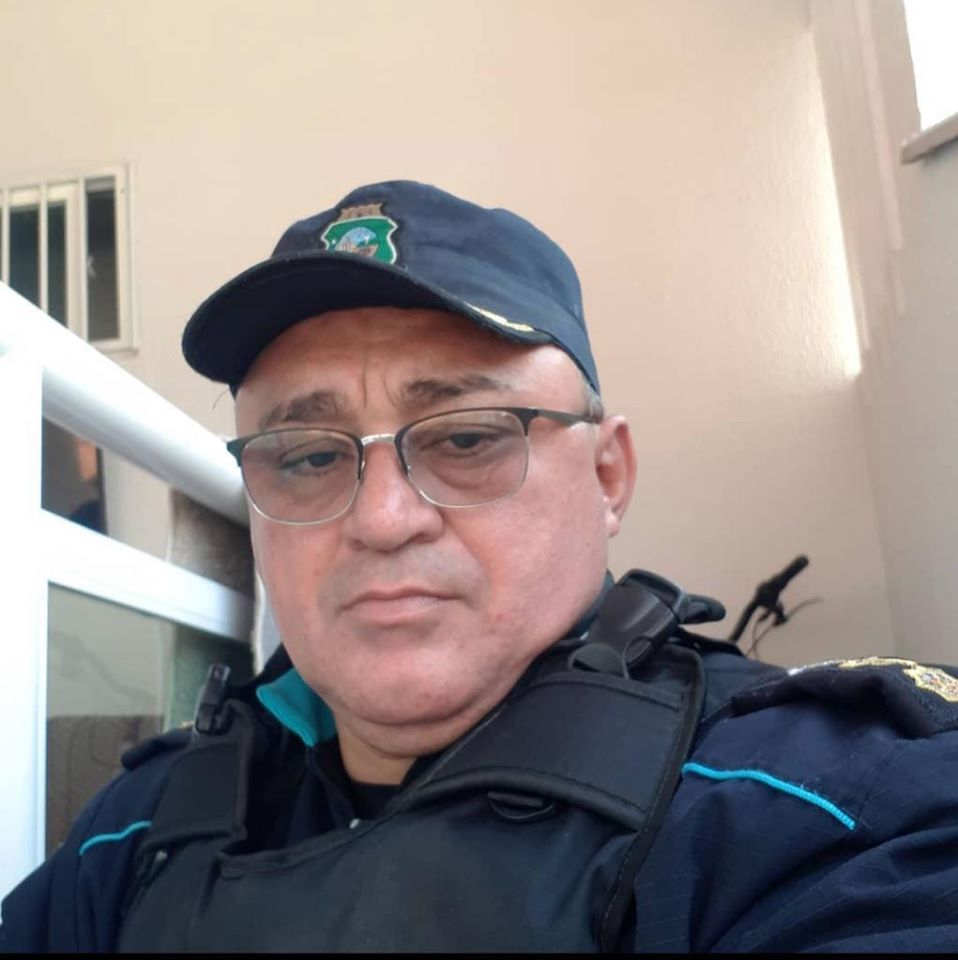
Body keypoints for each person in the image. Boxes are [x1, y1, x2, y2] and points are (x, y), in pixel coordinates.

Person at [3, 180, 958, 953]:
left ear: (609, 475)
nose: (382, 520)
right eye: (306, 456)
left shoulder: (833, 810)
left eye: (467, 439)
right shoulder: (142, 827)